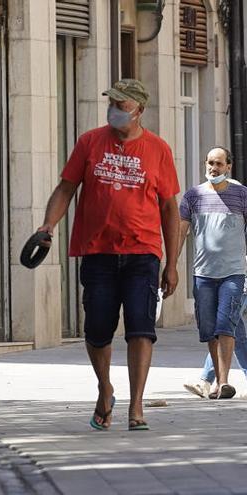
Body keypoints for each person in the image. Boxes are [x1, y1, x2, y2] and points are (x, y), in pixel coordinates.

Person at [35, 79, 180, 431]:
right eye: (112, 102)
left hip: (143, 251)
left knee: (140, 328)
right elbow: (66, 188)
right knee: (98, 329)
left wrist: (172, 264)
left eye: (122, 104)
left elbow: (169, 208)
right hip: (97, 250)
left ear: (139, 111)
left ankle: (137, 405)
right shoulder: (90, 142)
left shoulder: (158, 149)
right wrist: (47, 228)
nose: (114, 109)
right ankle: (105, 389)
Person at [177, 146, 247, 399]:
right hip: (203, 274)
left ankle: (223, 382)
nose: (213, 168)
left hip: (234, 273)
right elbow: (180, 232)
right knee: (209, 329)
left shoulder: (241, 194)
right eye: (209, 163)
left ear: (229, 166)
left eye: (218, 164)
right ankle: (217, 380)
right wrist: (171, 265)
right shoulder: (193, 196)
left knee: (225, 325)